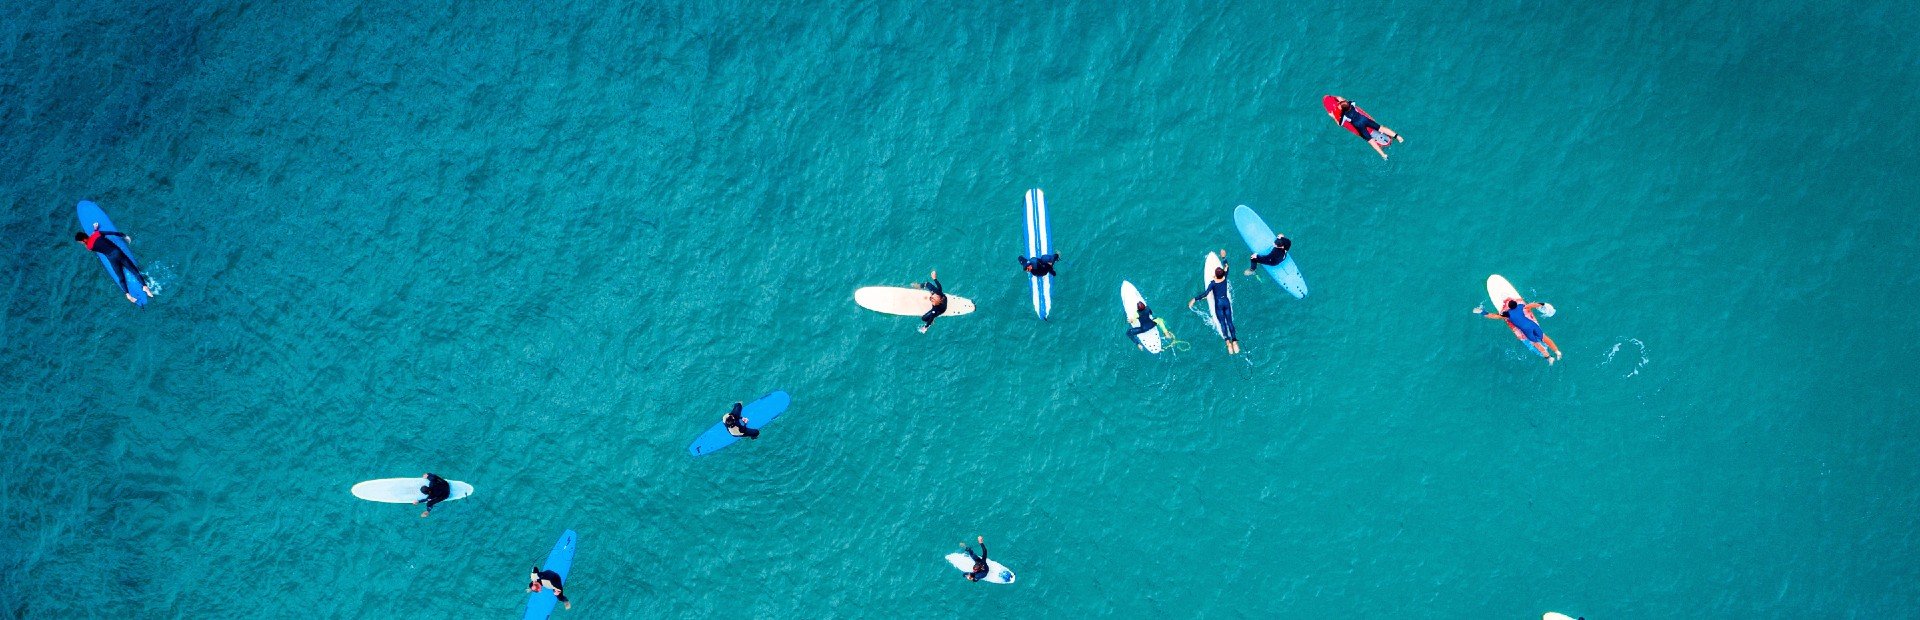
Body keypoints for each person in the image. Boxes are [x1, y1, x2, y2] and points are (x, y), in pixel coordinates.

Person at [74, 223, 155, 303]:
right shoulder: (97, 234)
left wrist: (92, 233)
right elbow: (112, 233)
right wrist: (124, 236)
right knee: (134, 271)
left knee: (121, 278)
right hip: (118, 253)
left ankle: (128, 295)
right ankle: (145, 287)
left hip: (112, 259)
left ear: (83, 240)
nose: (81, 243)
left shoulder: (89, 247)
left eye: (80, 242)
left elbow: (90, 241)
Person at [1480, 298, 1563, 363]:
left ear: (1509, 307)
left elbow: (1495, 316)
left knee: (1536, 344)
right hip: (1532, 324)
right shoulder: (1521, 306)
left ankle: (1549, 358)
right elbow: (1533, 305)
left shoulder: (1507, 314)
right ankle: (1557, 352)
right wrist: (1543, 304)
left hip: (1526, 330)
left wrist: (1483, 312)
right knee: (1545, 338)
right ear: (1516, 304)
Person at [1188, 253, 1240, 355]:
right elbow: (1227, 266)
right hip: (1226, 302)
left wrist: (1194, 299)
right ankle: (1234, 341)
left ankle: (1228, 342)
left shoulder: (1212, 283)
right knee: (1229, 321)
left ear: (1215, 275)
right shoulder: (1225, 277)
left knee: (1222, 322)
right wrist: (1224, 257)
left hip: (1219, 304)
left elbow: (1206, 294)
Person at [1331, 96, 1403, 160]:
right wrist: (1341, 100)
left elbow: (1340, 124)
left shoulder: (1344, 115)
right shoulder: (1352, 104)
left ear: (1343, 109)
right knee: (1381, 128)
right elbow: (1349, 102)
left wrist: (1333, 116)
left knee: (1371, 141)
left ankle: (1384, 155)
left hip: (1359, 125)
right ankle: (1398, 137)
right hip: (1364, 119)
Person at [917, 269, 946, 333]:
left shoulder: (935, 309)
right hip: (939, 299)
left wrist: (925, 327)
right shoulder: (939, 293)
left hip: (940, 310)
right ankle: (918, 286)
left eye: (932, 298)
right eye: (933, 295)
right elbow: (939, 286)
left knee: (923, 318)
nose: (932, 295)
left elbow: (930, 319)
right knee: (927, 284)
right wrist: (934, 278)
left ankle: (933, 320)